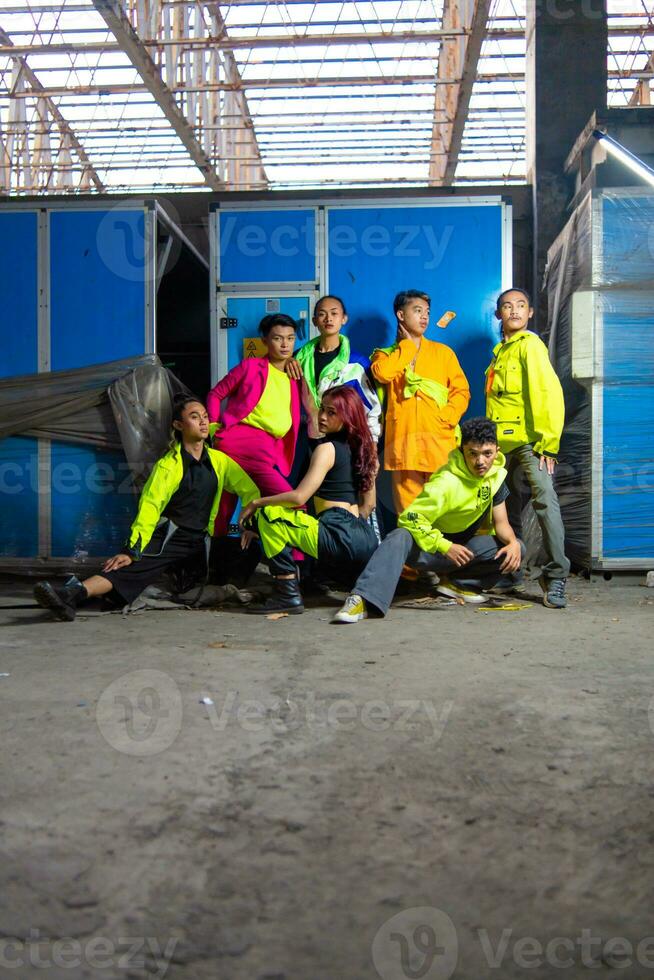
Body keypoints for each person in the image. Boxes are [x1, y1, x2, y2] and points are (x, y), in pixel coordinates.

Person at [33, 398, 259, 621]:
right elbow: (150, 507)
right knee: (131, 568)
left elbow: (251, 492)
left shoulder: (219, 462)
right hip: (171, 538)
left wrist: (249, 525)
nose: (202, 422)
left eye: (205, 416)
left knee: (249, 548)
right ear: (178, 425)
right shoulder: (169, 465)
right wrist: (132, 549)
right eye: (194, 416)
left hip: (201, 541)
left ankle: (218, 588)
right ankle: (71, 594)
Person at [333, 417, 524, 623]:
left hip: (461, 551)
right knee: (400, 536)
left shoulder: (494, 477)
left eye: (487, 454)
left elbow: (502, 523)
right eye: (473, 453)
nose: (480, 461)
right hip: (429, 551)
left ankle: (460, 585)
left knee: (517, 547)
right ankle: (362, 598)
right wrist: (444, 546)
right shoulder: (446, 482)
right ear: (462, 451)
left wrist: (512, 543)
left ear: (497, 450)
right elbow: (410, 518)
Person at [238, 385, 379, 615]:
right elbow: (368, 505)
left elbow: (299, 497)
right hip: (364, 540)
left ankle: (287, 594)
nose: (322, 417)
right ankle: (322, 580)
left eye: (332, 413)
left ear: (347, 417)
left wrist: (256, 503)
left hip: (337, 532)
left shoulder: (327, 449)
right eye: (322, 409)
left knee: (269, 515)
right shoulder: (363, 450)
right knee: (298, 525)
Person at [485, 287, 569, 609]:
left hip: (528, 443)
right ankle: (512, 569)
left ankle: (556, 574)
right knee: (501, 507)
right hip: (499, 448)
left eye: (521, 306)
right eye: (507, 306)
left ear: (530, 313)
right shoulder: (499, 352)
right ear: (499, 315)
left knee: (545, 501)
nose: (515, 311)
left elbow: (547, 393)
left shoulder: (530, 346)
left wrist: (547, 443)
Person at [371, 289, 470, 514]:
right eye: (417, 311)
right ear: (400, 315)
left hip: (439, 443)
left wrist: (447, 417)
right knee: (411, 518)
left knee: (444, 515)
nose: (425, 317)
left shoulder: (443, 353)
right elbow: (383, 374)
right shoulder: (385, 355)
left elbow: (461, 391)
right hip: (404, 448)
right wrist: (406, 347)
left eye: (427, 312)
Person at [206, 313, 302, 536]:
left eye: (290, 338)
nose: (285, 344)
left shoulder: (295, 373)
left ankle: (217, 564)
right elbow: (215, 394)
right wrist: (212, 427)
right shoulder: (251, 367)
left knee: (226, 509)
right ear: (265, 341)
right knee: (291, 502)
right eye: (278, 338)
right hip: (237, 442)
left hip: (269, 448)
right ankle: (294, 564)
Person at [286, 295, 382, 441]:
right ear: (314, 321)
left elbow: (372, 409)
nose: (328, 318)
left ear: (344, 319)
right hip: (309, 439)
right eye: (322, 314)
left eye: (334, 313)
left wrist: (372, 444)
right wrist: (285, 361)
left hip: (345, 442)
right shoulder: (299, 358)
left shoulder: (356, 364)